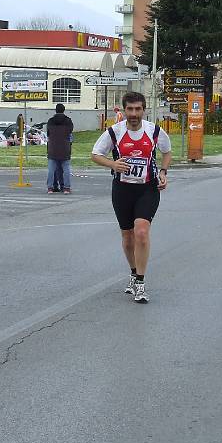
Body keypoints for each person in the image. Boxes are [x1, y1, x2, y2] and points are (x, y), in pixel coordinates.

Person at [90, 91, 171, 304]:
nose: (134, 113)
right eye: (130, 109)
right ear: (124, 110)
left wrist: (163, 172)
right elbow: (95, 154)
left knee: (141, 232)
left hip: (147, 189)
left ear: (144, 110)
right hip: (122, 190)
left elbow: (167, 151)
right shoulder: (114, 132)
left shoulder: (154, 131)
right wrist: (112, 164)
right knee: (127, 237)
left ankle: (141, 283)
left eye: (138, 109)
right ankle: (134, 272)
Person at [46, 103, 74, 194]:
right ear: (64, 110)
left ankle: (50, 188)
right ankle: (66, 188)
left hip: (53, 147)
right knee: (66, 169)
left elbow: (48, 133)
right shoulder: (68, 121)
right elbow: (70, 132)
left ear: (56, 110)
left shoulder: (50, 121)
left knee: (51, 169)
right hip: (65, 147)